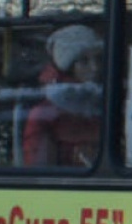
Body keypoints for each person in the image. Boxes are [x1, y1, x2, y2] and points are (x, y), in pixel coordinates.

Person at [23, 24, 105, 168]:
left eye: (99, 59)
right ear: (69, 67)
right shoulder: (46, 113)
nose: (95, 67)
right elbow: (40, 172)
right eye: (84, 61)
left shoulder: (110, 103)